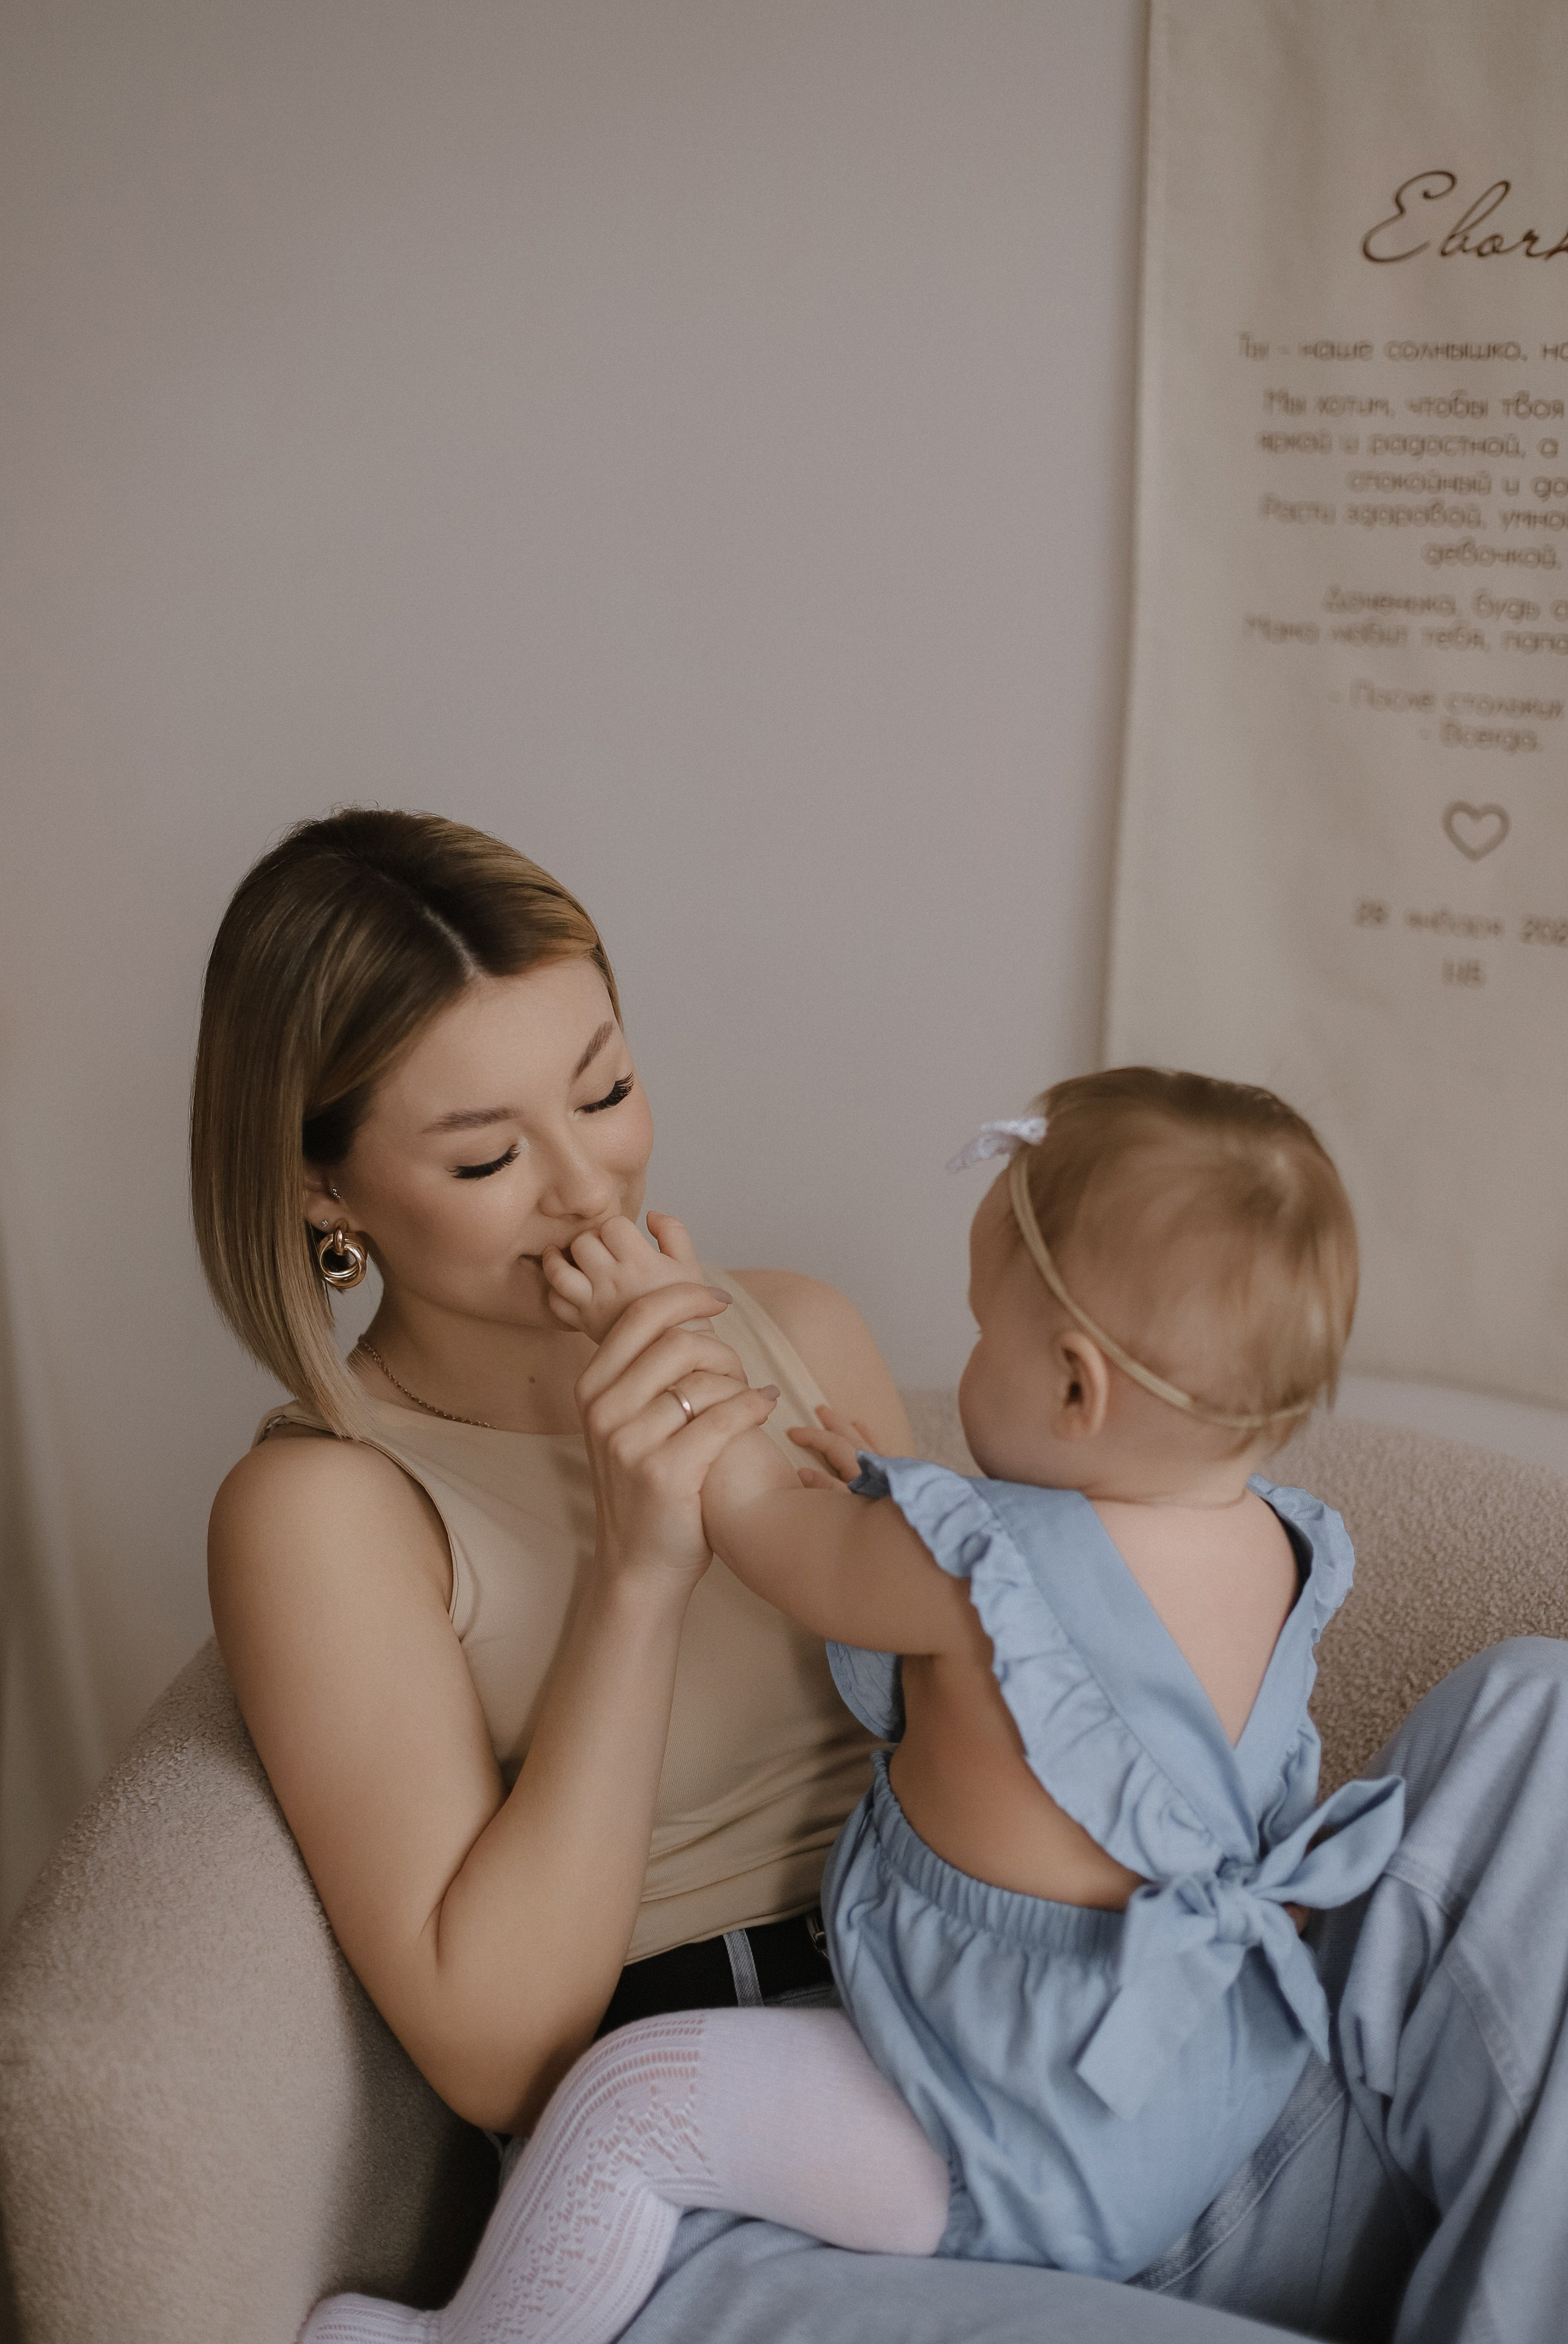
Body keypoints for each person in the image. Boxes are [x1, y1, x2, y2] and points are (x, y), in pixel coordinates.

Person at [200, 810, 1568, 2344]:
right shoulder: (327, 1501)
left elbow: (1036, 1647)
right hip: (746, 2171)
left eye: (608, 1088)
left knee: (1544, 1726)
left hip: (1102, 2074)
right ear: (327, 1191)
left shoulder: (790, 1325)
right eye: (487, 1154)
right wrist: (639, 1576)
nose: (587, 1187)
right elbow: (502, 2055)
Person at [303, 1068, 1411, 2343]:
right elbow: (1059, 1662)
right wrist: (897, 1502)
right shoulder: (1281, 1550)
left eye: (979, 1335)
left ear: (1072, 1390)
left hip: (981, 2104)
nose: (959, 1366)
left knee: (631, 2104)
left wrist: (661, 1332)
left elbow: (767, 1532)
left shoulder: (969, 1558)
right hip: (1185, 2095)